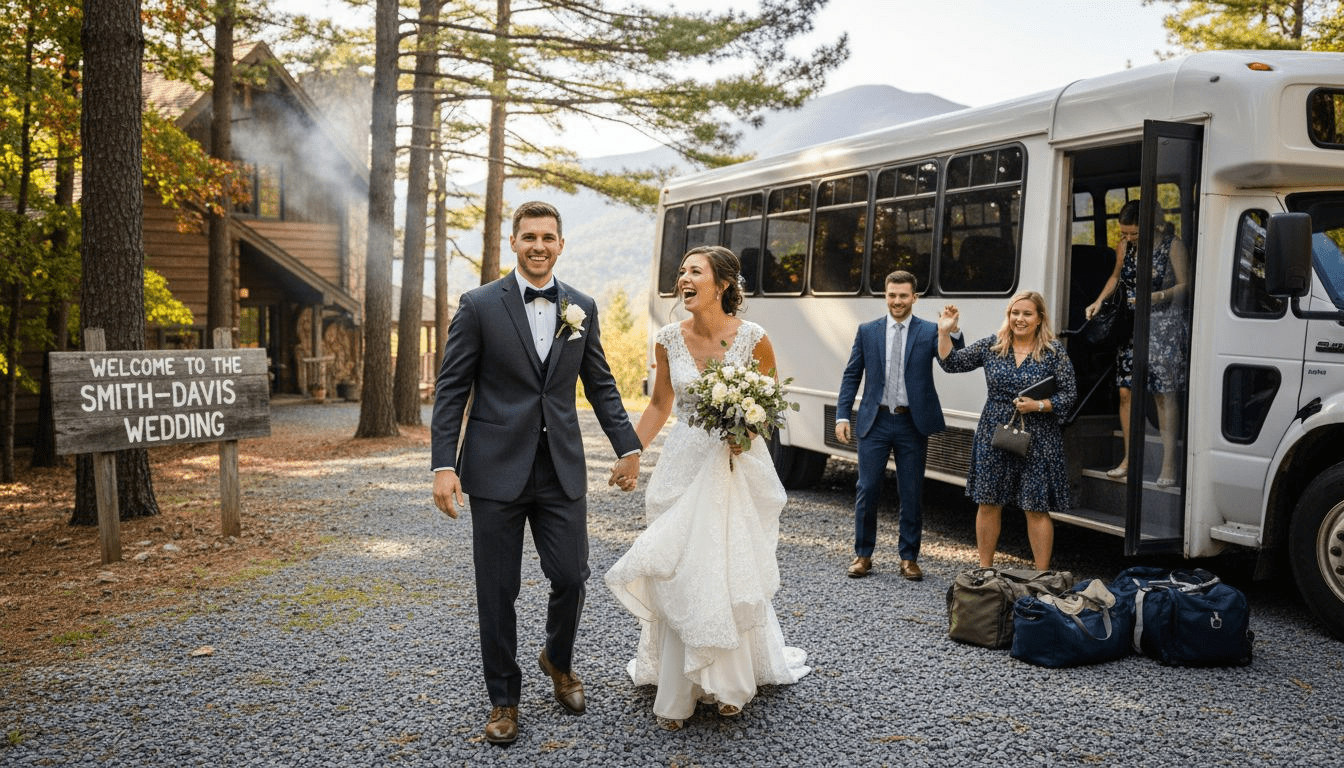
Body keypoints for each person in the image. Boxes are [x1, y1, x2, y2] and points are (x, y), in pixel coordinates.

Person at [430, 201, 643, 746]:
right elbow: (452, 389)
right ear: (514, 243)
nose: (539, 245)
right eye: (529, 236)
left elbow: (601, 385)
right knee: (497, 590)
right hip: (495, 470)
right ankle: (503, 697)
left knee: (572, 574)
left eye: (549, 237)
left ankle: (558, 658)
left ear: (562, 244)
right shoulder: (478, 305)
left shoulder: (583, 307)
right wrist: (443, 465)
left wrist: (628, 447)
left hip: (560, 470)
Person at [604, 245, 810, 732]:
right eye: (681, 272)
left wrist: (745, 432)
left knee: (725, 569)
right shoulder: (668, 339)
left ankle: (730, 683)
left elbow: (768, 405)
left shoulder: (753, 338)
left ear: (721, 285)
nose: (683, 279)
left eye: (694, 271)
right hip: (682, 466)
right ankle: (680, 684)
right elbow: (659, 404)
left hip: (735, 466)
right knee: (681, 570)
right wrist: (630, 452)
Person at [834, 270, 963, 581]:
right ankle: (863, 555)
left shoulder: (930, 330)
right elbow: (852, 375)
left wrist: (952, 332)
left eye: (904, 296)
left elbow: (952, 362)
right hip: (875, 421)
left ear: (914, 298)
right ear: (886, 296)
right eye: (892, 295)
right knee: (867, 488)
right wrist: (841, 414)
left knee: (911, 491)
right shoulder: (868, 331)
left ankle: (909, 558)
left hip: (911, 423)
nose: (897, 301)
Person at [937, 291, 1077, 570]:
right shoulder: (993, 344)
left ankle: (1041, 575)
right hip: (995, 431)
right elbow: (951, 363)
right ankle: (985, 569)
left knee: (1035, 506)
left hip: (1039, 436)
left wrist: (1039, 405)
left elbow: (1069, 394)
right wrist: (944, 333)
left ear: (1039, 319)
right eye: (1015, 313)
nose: (1019, 319)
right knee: (988, 501)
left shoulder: (1053, 350)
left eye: (1027, 314)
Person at [1083, 200, 1190, 485]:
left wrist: (1154, 297)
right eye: (1124, 233)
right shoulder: (1125, 247)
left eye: (1133, 233)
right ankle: (1130, 459)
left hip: (1164, 327)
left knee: (1162, 395)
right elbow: (1116, 277)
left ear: (1151, 225)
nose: (1127, 238)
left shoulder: (1173, 246)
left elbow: (1186, 286)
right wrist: (1098, 301)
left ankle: (1168, 465)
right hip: (1132, 327)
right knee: (1125, 392)